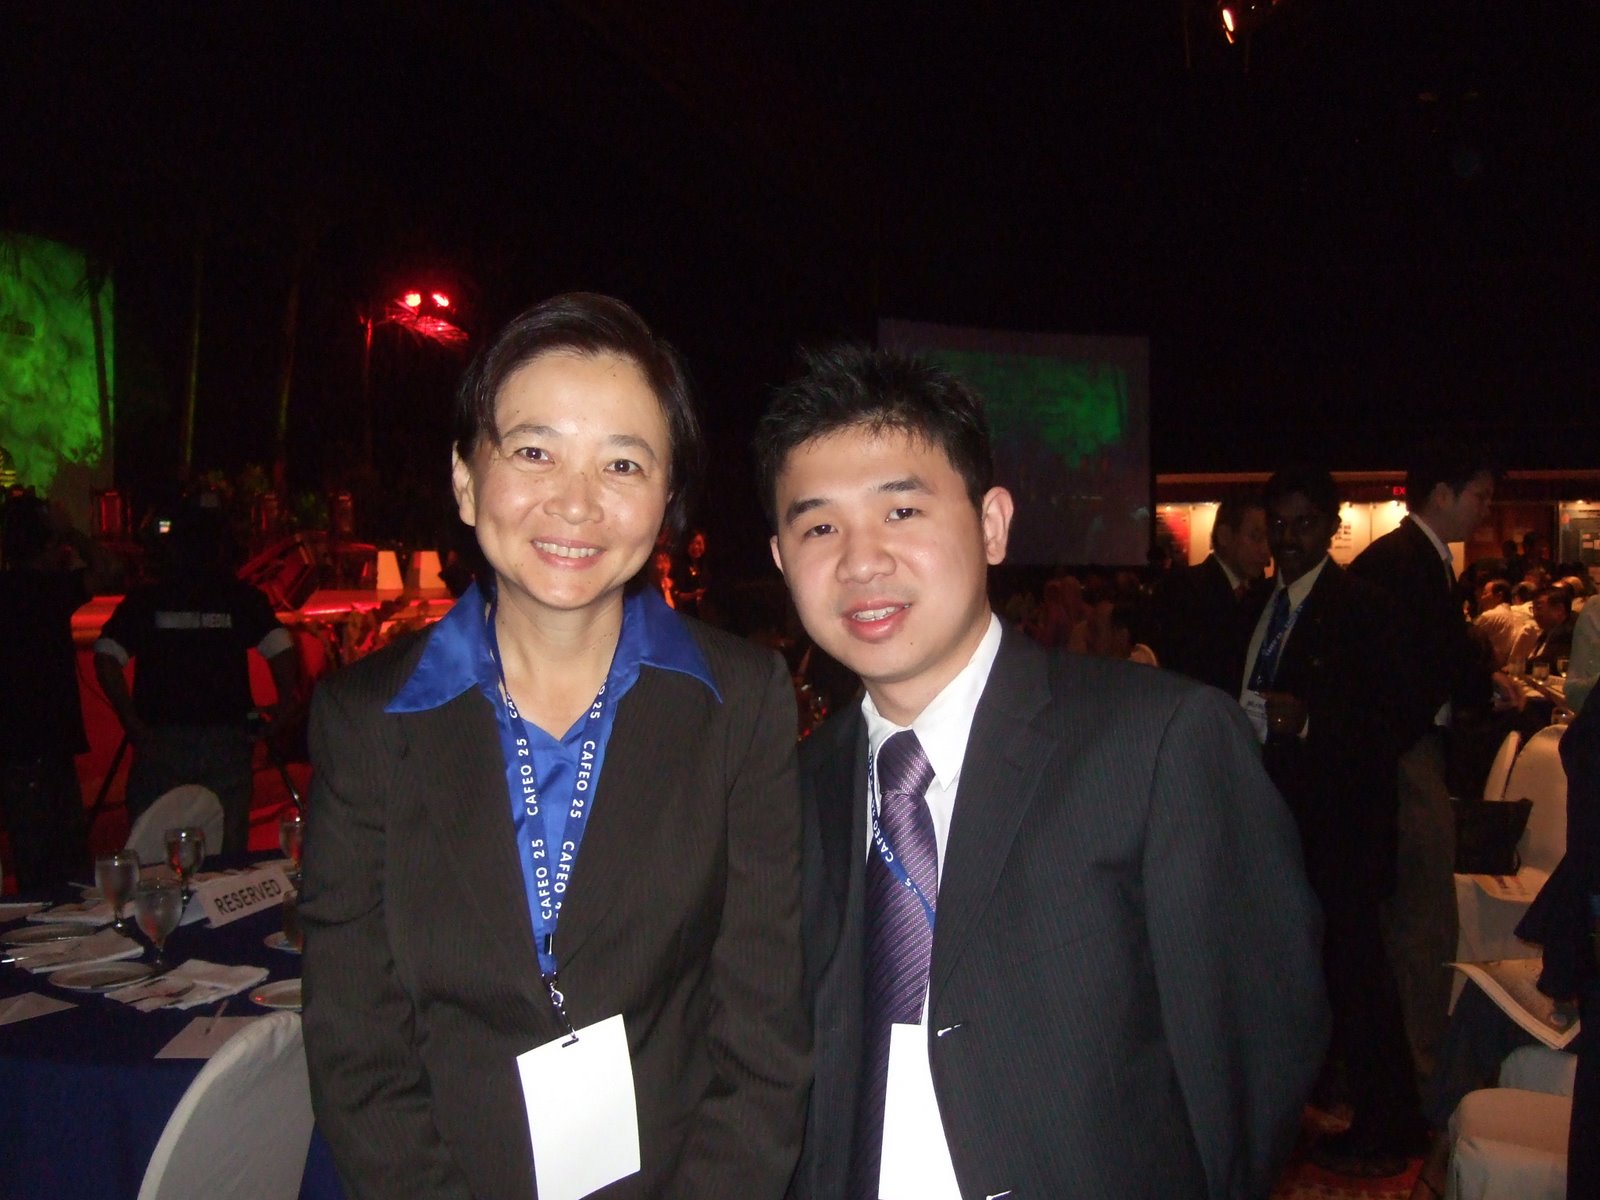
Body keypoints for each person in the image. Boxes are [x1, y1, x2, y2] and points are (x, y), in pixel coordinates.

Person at [755, 345, 1327, 1200]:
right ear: (781, 559)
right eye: (819, 527)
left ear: (992, 524)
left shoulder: (1157, 744)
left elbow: (1256, 1051)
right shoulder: (795, 788)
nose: (861, 560)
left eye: (902, 511)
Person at [300, 294, 809, 1200]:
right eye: (534, 452)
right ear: (466, 479)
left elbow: (763, 1033)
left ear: (666, 501)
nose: (576, 502)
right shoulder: (366, 718)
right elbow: (356, 1047)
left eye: (623, 463)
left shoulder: (741, 702)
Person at [1242, 467, 1422, 1174]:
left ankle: (1390, 1124)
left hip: (1341, 830)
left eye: (1304, 524)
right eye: (1278, 525)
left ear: (1331, 527)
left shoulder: (1361, 607)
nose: (1288, 539)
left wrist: (1312, 720)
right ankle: (1315, 1105)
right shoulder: (1263, 604)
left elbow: (1396, 717)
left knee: (1358, 979)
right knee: (1302, 977)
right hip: (1273, 823)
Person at [1348, 444, 1520, 1094]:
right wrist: (1474, 682)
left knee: (1418, 914)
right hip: (1403, 756)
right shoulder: (1407, 563)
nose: (1486, 510)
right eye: (1480, 496)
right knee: (1423, 915)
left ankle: (1412, 1064)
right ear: (1443, 494)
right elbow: (1414, 668)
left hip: (1405, 753)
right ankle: (1419, 1073)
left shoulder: (1414, 560)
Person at [93, 500, 299, 857]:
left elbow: (106, 655)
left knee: (156, 852)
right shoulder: (239, 597)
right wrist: (284, 705)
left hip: (160, 741)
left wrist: (130, 718)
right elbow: (281, 646)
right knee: (227, 853)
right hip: (227, 741)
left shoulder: (148, 599)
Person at [0, 495, 119, 890]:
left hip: (17, 747)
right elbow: (107, 568)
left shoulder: (13, 589)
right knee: (65, 866)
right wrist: (71, 531)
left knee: (36, 863)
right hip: (46, 745)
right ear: (49, 545)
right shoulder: (49, 590)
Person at [1151, 493, 1271, 692]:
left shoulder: (1259, 593)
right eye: (1256, 537)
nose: (1266, 550)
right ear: (1224, 536)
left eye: (1269, 539)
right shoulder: (1185, 589)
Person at [1473, 578, 1539, 670]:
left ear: (1499, 596)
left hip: (1489, 668)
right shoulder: (1516, 615)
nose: (1481, 598)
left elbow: (1469, 641)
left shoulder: (1489, 616)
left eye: (1485, 593)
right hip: (1507, 666)